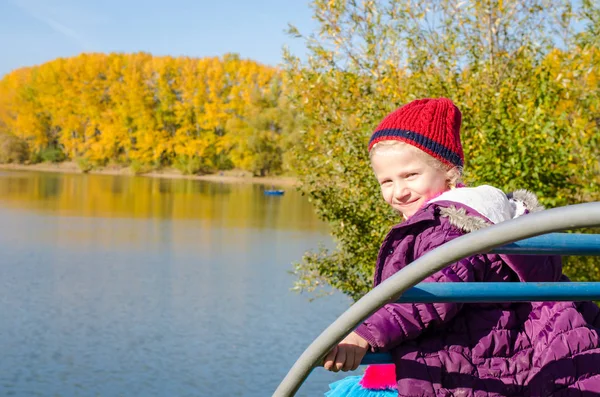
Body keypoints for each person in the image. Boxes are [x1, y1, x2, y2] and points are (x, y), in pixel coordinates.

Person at [324, 98, 600, 396]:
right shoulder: (477, 219)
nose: (399, 192)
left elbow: (431, 294)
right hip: (490, 360)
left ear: (448, 171)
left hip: (466, 373)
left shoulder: (450, 225)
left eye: (411, 175)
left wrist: (365, 334)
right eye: (386, 181)